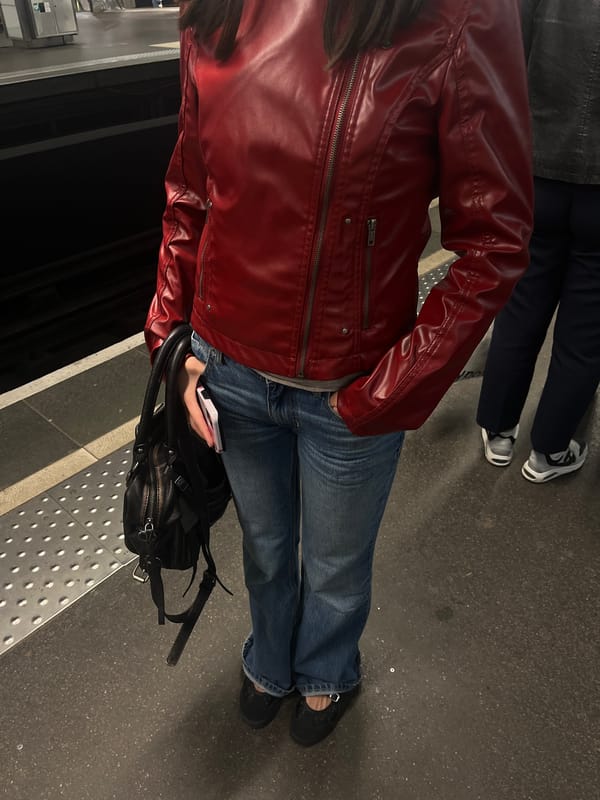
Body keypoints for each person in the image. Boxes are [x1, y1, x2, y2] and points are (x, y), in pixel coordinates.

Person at [144, 0, 533, 746]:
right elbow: (191, 196)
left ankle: (325, 669)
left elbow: (495, 238)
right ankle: (270, 654)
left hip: (350, 389)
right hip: (228, 370)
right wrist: (172, 344)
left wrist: (396, 386)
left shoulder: (461, 14)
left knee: (334, 563)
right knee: (264, 548)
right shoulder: (216, 9)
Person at [476, 0, 600, 483]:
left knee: (522, 304)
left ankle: (500, 429)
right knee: (586, 331)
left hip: (537, 171)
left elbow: (505, 59)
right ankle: (550, 450)